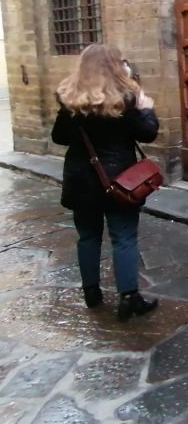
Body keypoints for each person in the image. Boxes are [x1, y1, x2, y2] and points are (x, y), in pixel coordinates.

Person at [51, 44, 160, 321]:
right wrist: (146, 109)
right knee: (123, 238)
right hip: (119, 181)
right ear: (115, 65)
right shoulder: (126, 96)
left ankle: (92, 292)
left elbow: (59, 138)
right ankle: (128, 297)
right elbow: (147, 134)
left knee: (87, 237)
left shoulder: (69, 98)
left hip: (81, 180)